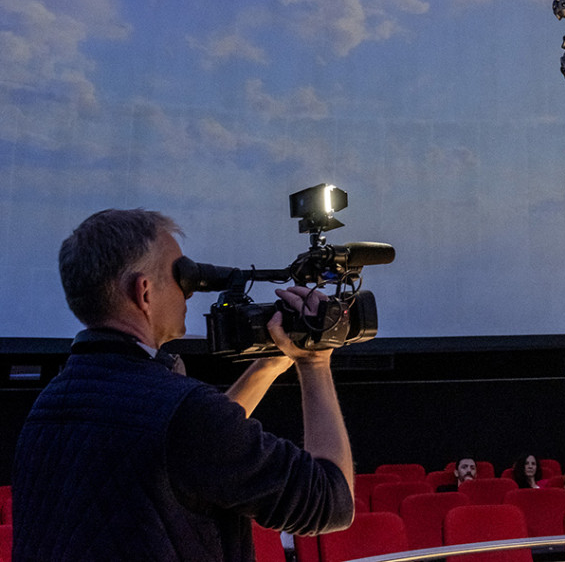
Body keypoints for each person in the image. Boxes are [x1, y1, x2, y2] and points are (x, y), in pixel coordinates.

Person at [13, 209, 355, 562]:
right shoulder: (182, 414)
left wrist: (268, 365)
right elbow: (331, 502)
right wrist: (314, 361)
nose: (189, 293)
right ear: (144, 292)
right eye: (183, 276)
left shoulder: (49, 406)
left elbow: (186, 447)